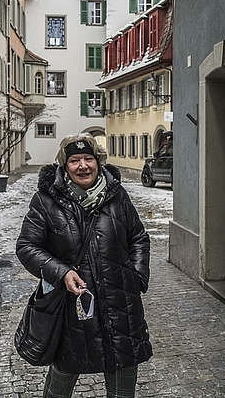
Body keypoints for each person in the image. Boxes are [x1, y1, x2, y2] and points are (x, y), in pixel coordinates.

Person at [16, 133, 152, 398]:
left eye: (89, 158)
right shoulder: (46, 201)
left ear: (98, 161)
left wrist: (136, 276)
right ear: (64, 166)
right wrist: (62, 272)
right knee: (63, 377)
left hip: (120, 305)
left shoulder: (116, 195)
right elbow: (27, 247)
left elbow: (138, 237)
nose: (83, 166)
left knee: (123, 373)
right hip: (72, 308)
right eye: (75, 160)